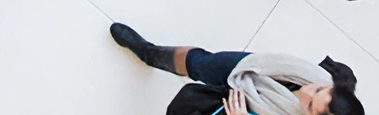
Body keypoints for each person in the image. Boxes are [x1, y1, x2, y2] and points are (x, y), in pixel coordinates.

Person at [109, 22, 364, 115]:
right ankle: (149, 52)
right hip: (255, 71)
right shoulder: (322, 77)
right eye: (320, 89)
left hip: (242, 106)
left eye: (310, 106)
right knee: (203, 63)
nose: (307, 91)